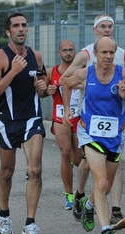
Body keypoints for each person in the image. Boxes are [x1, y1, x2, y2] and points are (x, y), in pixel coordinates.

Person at [62, 36, 125, 234]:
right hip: (90, 134)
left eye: (111, 53)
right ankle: (106, 231)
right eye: (104, 53)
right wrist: (67, 109)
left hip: (115, 137)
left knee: (105, 186)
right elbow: (66, 83)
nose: (108, 56)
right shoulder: (85, 73)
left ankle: (88, 206)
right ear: (95, 54)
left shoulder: (123, 74)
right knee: (100, 182)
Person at [60, 14, 125, 230]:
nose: (107, 30)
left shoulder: (122, 55)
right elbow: (66, 79)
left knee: (115, 165)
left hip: (116, 117)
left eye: (110, 26)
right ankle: (80, 193)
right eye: (103, 27)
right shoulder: (85, 54)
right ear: (95, 30)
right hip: (91, 116)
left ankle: (115, 211)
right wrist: (85, 89)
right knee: (87, 163)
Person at [0, 12, 47, 234]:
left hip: (32, 119)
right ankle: (4, 214)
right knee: (7, 171)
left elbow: (42, 91)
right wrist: (12, 71)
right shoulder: (0, 58)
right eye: (16, 26)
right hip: (7, 121)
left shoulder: (37, 56)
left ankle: (30, 224)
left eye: (24, 25)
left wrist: (42, 87)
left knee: (35, 169)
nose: (21, 29)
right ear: (8, 32)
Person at [41, 40, 82, 209]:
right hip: (60, 117)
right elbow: (40, 91)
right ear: (59, 53)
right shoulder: (52, 72)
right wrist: (46, 90)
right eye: (64, 50)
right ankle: (69, 195)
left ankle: (72, 166)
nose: (68, 53)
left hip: (79, 116)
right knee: (65, 152)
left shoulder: (82, 71)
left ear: (75, 52)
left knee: (78, 159)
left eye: (70, 50)